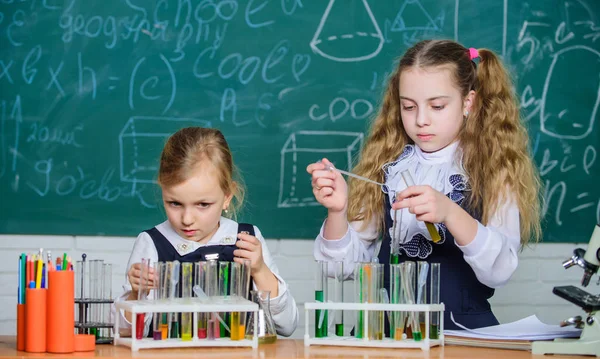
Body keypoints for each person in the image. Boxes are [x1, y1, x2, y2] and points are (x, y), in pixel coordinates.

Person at [307, 39, 541, 330]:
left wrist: (451, 213)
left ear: (468, 102)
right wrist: (337, 212)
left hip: (462, 334)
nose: (421, 120)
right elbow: (339, 270)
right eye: (408, 107)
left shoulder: (493, 171)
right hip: (386, 332)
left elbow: (500, 270)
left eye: (437, 106)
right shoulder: (387, 167)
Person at [113, 127, 298, 337]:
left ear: (227, 196)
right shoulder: (152, 243)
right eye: (174, 203)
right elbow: (124, 333)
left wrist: (260, 270)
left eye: (202, 204)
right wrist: (137, 293)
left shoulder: (247, 240)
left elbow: (287, 325)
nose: (187, 219)